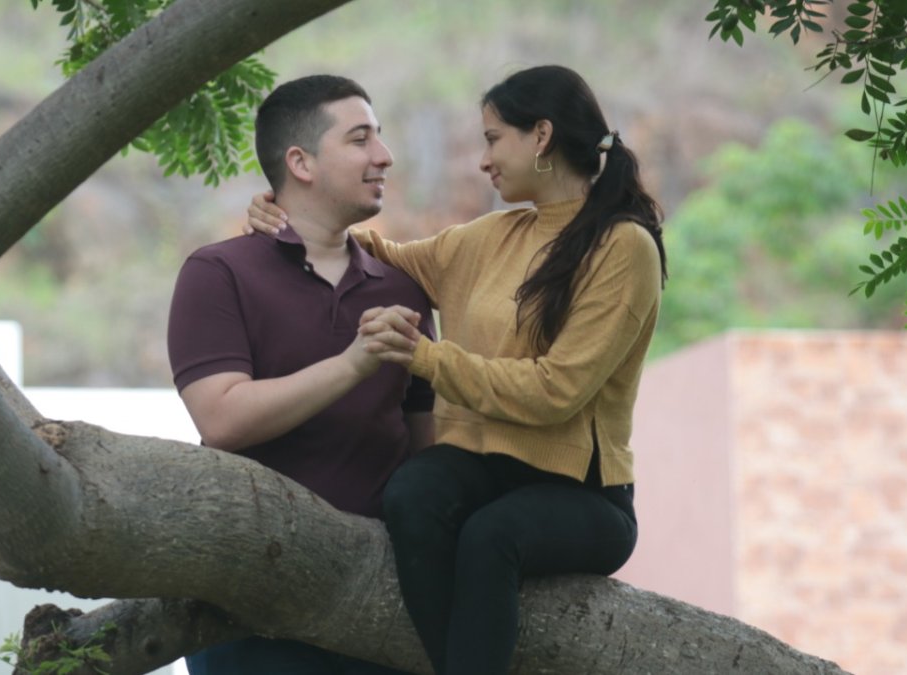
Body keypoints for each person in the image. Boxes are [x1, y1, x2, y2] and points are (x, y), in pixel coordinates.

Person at [247, 65, 667, 675]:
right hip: (487, 469)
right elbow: (380, 257)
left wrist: (424, 354)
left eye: (494, 138)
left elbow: (557, 392)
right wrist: (286, 212)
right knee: (413, 491)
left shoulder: (624, 247)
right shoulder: (490, 236)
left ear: (541, 136)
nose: (483, 160)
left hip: (583, 494)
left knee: (491, 537)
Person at [167, 74, 434, 675]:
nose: (383, 156)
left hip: (379, 606)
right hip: (245, 604)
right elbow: (223, 419)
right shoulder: (217, 273)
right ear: (300, 162)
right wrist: (353, 363)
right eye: (360, 139)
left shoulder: (403, 284)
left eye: (380, 139)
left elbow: (425, 443)